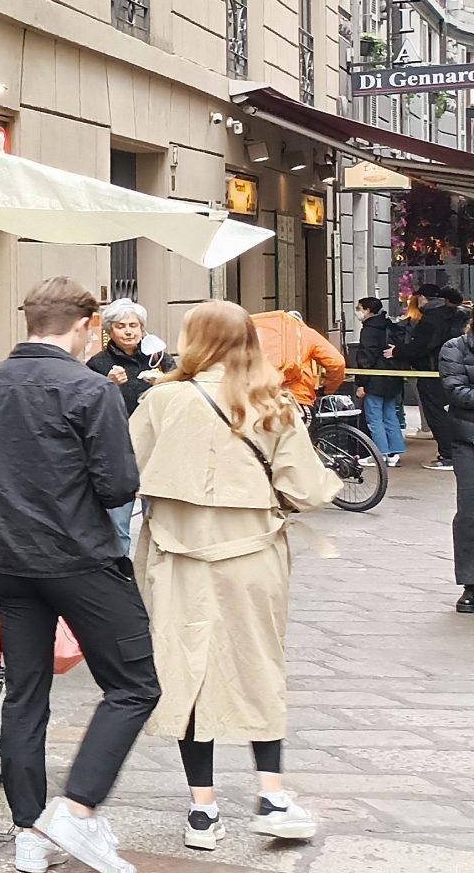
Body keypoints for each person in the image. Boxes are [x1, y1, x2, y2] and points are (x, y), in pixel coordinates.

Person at [0, 277, 158, 873]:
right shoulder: (92, 389)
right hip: (80, 558)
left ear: (30, 321)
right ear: (86, 324)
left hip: (12, 560)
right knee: (134, 684)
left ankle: (30, 830)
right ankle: (78, 808)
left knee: (25, 694)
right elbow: (120, 484)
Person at [131, 301, 337, 851]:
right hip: (253, 556)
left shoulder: (162, 400)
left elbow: (125, 471)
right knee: (258, 666)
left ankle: (203, 810)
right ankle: (271, 795)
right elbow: (308, 490)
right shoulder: (273, 401)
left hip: (177, 557)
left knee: (186, 671)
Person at [85, 299, 173, 554]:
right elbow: (87, 406)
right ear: (110, 331)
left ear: (142, 328)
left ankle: (155, 572)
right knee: (117, 523)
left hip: (155, 448)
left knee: (157, 520)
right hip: (117, 450)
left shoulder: (159, 358)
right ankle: (120, 574)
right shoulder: (98, 364)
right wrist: (107, 384)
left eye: (133, 325)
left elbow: (182, 394)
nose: (128, 331)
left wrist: (165, 383)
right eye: (121, 326)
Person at [399, 287, 466, 471]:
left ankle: (447, 455)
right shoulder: (457, 315)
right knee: (453, 413)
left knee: (436, 414)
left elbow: (420, 347)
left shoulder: (431, 319)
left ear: (422, 298)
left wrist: (397, 351)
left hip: (432, 372)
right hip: (454, 371)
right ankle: (454, 453)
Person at [434, 313, 474, 615]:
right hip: (469, 440)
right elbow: (456, 391)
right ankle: (470, 585)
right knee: (470, 511)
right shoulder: (454, 348)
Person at [250, 310, 345, 408]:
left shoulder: (260, 335)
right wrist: (327, 390)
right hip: (297, 399)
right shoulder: (306, 333)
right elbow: (337, 362)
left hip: (262, 401)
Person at [354, 297, 407, 465]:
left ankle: (380, 453)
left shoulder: (369, 330)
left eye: (359, 308)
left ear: (368, 310)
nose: (358, 311)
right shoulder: (390, 326)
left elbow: (366, 357)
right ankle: (394, 453)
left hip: (375, 380)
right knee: (390, 415)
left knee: (374, 417)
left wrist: (361, 382)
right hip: (392, 378)